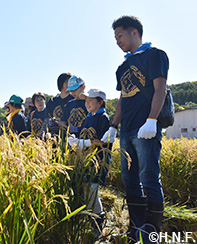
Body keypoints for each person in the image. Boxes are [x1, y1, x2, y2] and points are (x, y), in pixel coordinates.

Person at [101, 16, 169, 243]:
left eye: (119, 35)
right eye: (115, 37)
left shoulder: (155, 55)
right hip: (127, 130)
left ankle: (151, 232)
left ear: (134, 33)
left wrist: (152, 119)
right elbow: (122, 98)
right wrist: (113, 126)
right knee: (130, 180)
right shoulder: (122, 66)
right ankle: (136, 227)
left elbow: (160, 89)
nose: (117, 41)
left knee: (149, 178)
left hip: (146, 128)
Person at [68, 88, 112, 239]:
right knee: (87, 192)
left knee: (93, 193)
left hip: (98, 163)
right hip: (86, 162)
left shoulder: (103, 118)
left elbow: (101, 142)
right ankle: (93, 224)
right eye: (86, 101)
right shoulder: (86, 119)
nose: (87, 103)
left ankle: (98, 226)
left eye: (91, 100)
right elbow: (82, 137)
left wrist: (84, 142)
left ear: (101, 102)